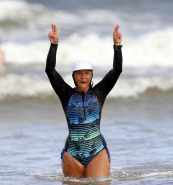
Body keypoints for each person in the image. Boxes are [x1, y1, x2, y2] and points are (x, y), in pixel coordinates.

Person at [45, 24, 123, 178]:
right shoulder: (66, 93)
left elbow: (117, 70)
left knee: (98, 182)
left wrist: (117, 46)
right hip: (72, 154)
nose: (83, 77)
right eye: (79, 73)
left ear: (91, 76)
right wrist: (53, 45)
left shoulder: (99, 93)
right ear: (74, 76)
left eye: (87, 73)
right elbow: (50, 70)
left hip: (97, 152)